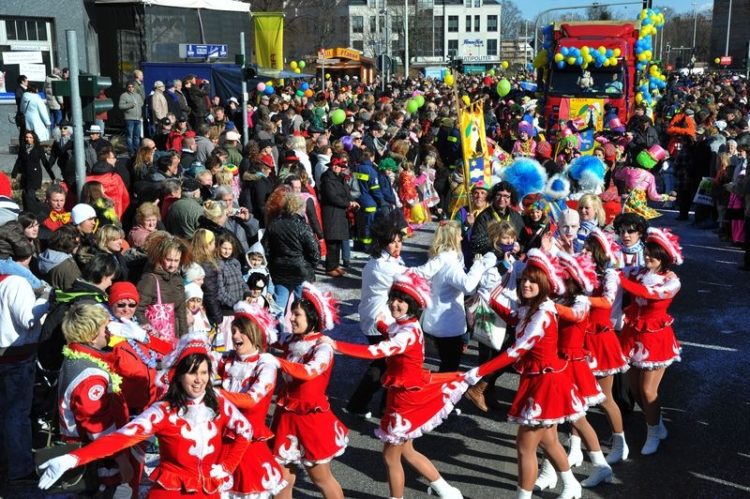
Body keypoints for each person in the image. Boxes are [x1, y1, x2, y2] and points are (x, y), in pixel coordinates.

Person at [38, 335, 253, 498]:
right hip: (171, 492)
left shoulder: (218, 402)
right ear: (177, 376)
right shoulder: (163, 411)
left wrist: (227, 466)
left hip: (209, 491)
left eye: (204, 372)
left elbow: (246, 431)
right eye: (192, 373)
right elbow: (119, 439)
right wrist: (72, 458)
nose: (199, 380)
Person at [324, 271, 466, 499]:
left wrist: (337, 345)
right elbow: (391, 334)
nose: (394, 304)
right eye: (393, 298)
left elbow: (377, 350)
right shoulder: (404, 326)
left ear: (412, 305)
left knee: (391, 456)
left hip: (404, 401)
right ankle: (446, 490)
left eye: (401, 300)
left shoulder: (406, 333)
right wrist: (381, 324)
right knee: (407, 451)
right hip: (401, 395)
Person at [464, 249, 585, 499]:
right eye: (524, 280)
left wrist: (477, 373)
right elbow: (512, 317)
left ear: (544, 285)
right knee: (549, 440)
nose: (526, 284)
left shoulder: (543, 313)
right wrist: (492, 295)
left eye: (533, 280)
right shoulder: (529, 307)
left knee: (524, 445)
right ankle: (572, 485)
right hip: (536, 379)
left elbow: (515, 351)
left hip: (546, 383)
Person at [271, 282, 347, 499]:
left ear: (312, 318)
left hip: (310, 421)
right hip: (285, 418)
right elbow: (264, 335)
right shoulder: (292, 340)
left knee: (321, 479)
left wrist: (275, 360)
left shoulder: (322, 348)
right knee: (281, 480)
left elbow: (307, 372)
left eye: (297, 315)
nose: (291, 319)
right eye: (291, 314)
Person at [56, 303, 136, 496]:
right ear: (92, 336)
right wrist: (121, 459)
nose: (109, 333)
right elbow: (97, 425)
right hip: (99, 459)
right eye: (104, 329)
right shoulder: (89, 374)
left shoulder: (77, 358)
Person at [619, 227, 683, 455]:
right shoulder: (636, 272)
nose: (647, 258)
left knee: (648, 390)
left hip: (656, 339)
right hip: (632, 335)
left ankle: (653, 433)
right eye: (646, 253)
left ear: (664, 258)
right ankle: (658, 423)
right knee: (635, 390)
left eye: (653, 255)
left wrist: (620, 279)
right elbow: (614, 266)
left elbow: (649, 294)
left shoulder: (672, 282)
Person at [216, 309, 287, 498]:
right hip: (221, 442)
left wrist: (215, 394)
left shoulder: (266, 365)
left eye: (241, 331)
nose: (235, 336)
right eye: (233, 331)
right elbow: (193, 355)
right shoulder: (229, 359)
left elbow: (250, 401)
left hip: (249, 445)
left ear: (255, 334)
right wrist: (144, 338)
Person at [346, 216, 407, 417]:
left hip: (376, 318)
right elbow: (411, 278)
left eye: (400, 240)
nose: (398, 245)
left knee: (384, 362)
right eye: (393, 241)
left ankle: (369, 405)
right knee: (385, 363)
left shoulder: (385, 261)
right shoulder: (383, 265)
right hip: (380, 320)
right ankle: (367, 405)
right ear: (382, 243)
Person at [417, 220, 496, 372]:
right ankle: (440, 393)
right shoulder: (449, 262)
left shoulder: (438, 257)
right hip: (448, 323)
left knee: (446, 362)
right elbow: (468, 286)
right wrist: (479, 264)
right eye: (459, 236)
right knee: (450, 366)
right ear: (453, 238)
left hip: (436, 319)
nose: (461, 239)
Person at [582, 228, 630, 464]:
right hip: (580, 340)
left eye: (588, 249)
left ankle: (620, 443)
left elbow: (607, 301)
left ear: (599, 252)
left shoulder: (610, 275)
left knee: (604, 398)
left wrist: (584, 299)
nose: (584, 252)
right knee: (579, 397)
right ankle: (573, 449)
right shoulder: (584, 272)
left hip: (600, 340)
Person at [0, 274, 49, 483]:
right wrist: (46, 299)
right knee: (16, 414)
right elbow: (27, 319)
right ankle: (19, 468)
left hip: (8, 355)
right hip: (15, 357)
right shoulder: (16, 282)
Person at [264, 191, 320, 314]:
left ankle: (276, 331)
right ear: (299, 208)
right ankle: (302, 330)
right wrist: (310, 267)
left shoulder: (273, 224)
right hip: (301, 270)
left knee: (278, 305)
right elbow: (314, 250)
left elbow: (265, 248)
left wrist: (272, 263)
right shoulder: (302, 226)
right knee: (302, 306)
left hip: (279, 269)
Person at [136, 232, 190, 342]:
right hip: (154, 339)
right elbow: (137, 310)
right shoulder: (150, 280)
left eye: (176, 261)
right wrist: (151, 331)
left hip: (174, 338)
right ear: (160, 257)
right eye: (169, 260)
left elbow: (181, 313)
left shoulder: (178, 279)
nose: (172, 265)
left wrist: (184, 339)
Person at [320, 155, 358, 276]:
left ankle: (335, 265)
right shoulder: (327, 179)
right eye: (337, 166)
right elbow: (332, 197)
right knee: (332, 242)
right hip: (332, 213)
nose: (339, 168)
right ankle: (330, 267)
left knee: (337, 241)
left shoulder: (341, 178)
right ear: (332, 166)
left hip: (340, 214)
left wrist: (352, 201)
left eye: (341, 166)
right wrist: (348, 203)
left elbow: (347, 192)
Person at [471, 181, 524, 255]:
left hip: (513, 260)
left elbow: (523, 240)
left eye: (506, 196)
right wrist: (498, 248)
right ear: (493, 196)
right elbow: (477, 243)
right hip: (491, 261)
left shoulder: (516, 216)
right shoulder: (483, 217)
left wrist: (519, 248)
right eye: (498, 195)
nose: (502, 199)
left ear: (511, 198)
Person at [14, 130, 55, 213]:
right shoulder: (23, 148)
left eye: (30, 137)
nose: (28, 139)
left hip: (35, 175)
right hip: (25, 176)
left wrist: (52, 176)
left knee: (30, 194)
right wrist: (14, 175)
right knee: (25, 194)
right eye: (27, 137)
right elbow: (19, 161)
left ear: (34, 139)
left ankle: (33, 212)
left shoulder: (38, 148)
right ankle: (27, 212)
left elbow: (45, 162)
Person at [119, 81, 144, 156]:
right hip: (129, 118)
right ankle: (131, 151)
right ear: (127, 87)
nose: (131, 88)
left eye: (132, 87)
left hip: (137, 118)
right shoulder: (124, 95)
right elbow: (121, 106)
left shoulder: (137, 95)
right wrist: (130, 105)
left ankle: (136, 151)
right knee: (130, 136)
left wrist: (138, 107)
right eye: (129, 87)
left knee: (136, 136)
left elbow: (141, 103)